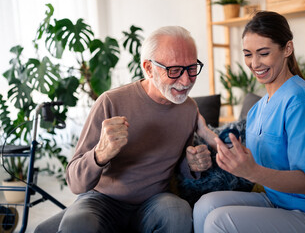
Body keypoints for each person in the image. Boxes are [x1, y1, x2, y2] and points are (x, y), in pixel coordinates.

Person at [193, 11, 305, 233]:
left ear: (287, 49)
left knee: (220, 221)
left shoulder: (301, 102)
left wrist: (252, 172)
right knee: (205, 205)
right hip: (283, 204)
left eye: (263, 53)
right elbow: (243, 157)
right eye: (248, 54)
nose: (254, 63)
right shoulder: (257, 111)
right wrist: (205, 134)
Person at [35, 26, 213, 233]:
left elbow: (177, 163)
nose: (186, 81)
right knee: (79, 223)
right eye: (174, 71)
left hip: (154, 203)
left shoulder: (189, 108)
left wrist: (192, 164)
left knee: (178, 211)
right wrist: (101, 154)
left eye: (192, 68)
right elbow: (75, 182)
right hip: (102, 200)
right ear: (148, 68)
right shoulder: (110, 102)